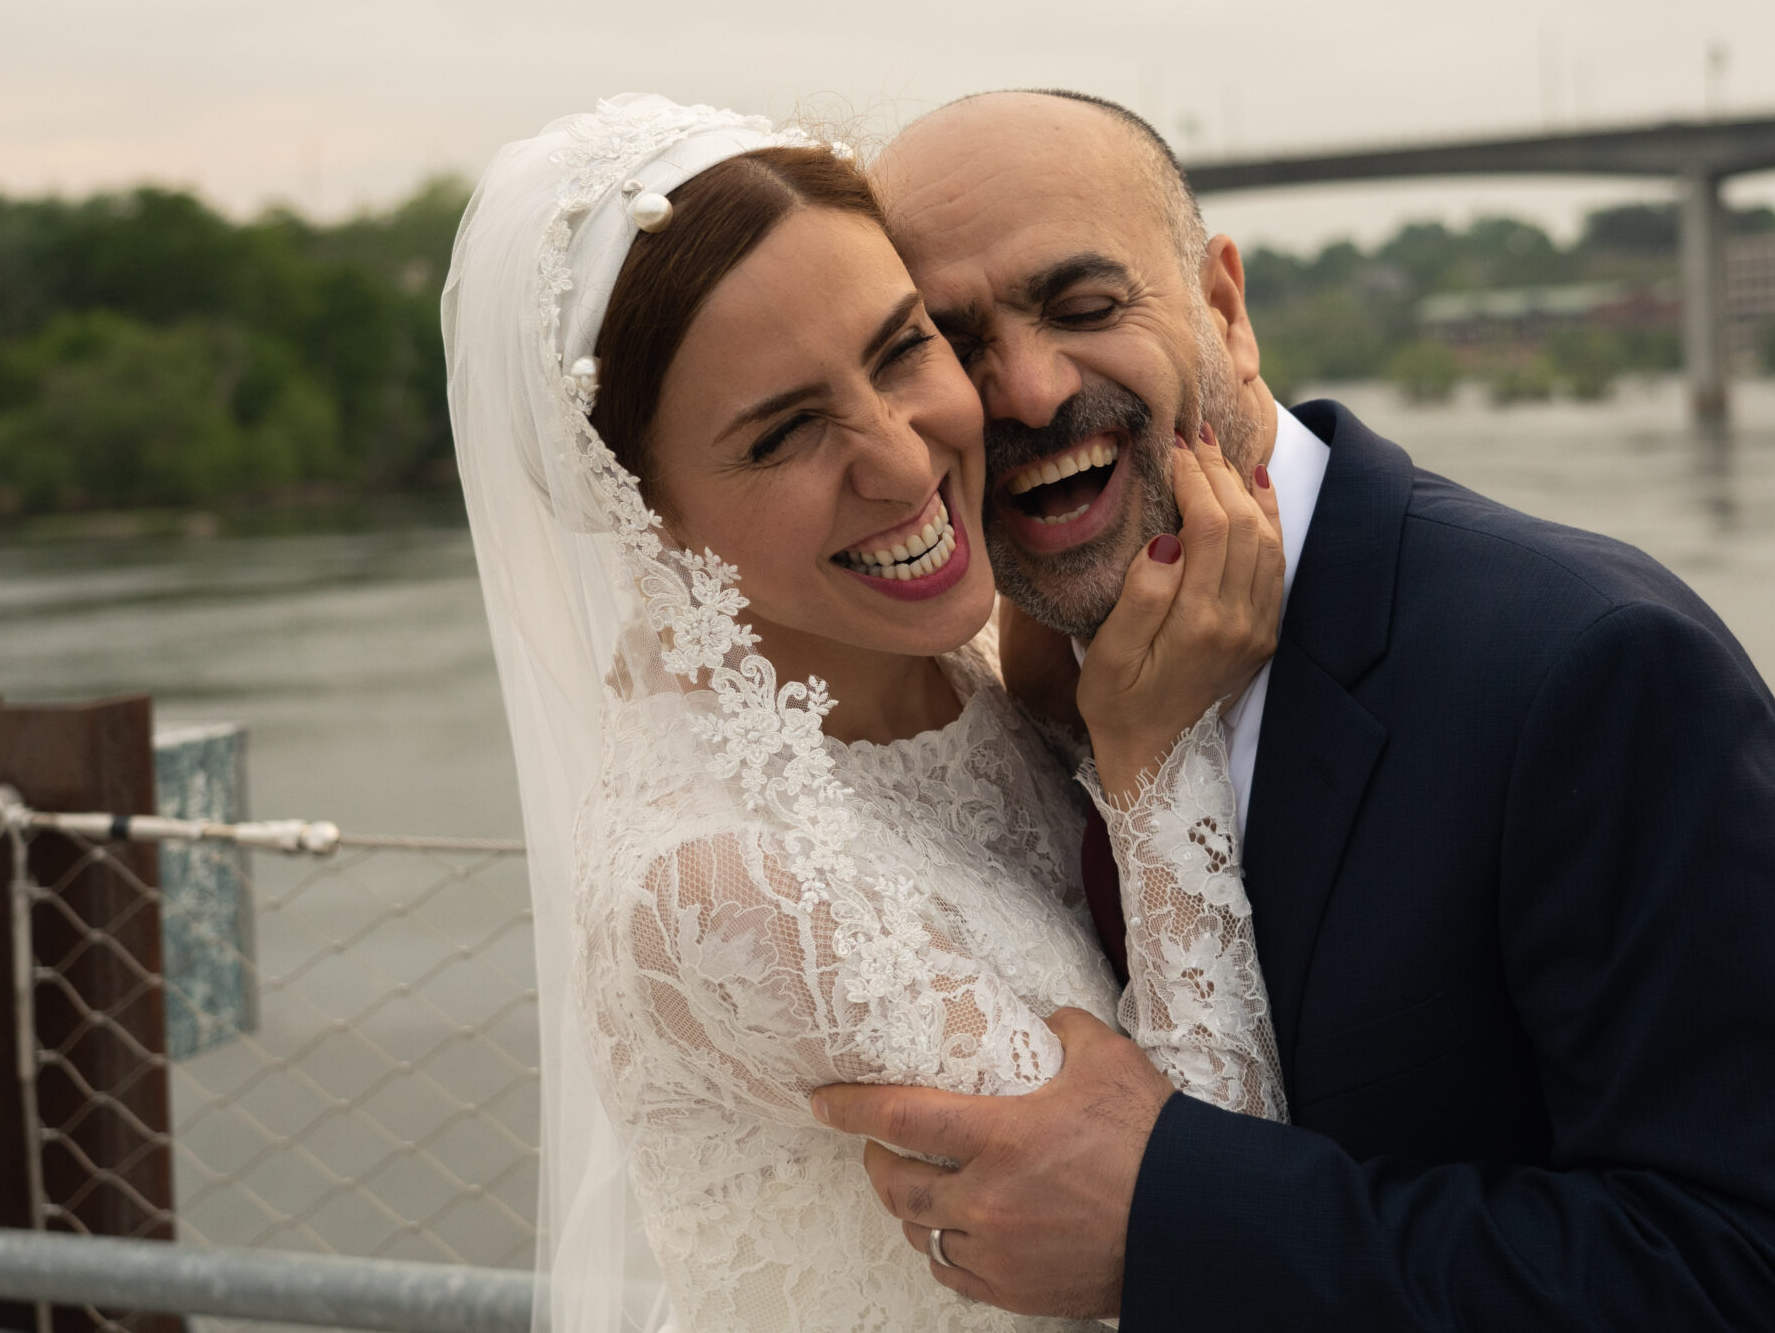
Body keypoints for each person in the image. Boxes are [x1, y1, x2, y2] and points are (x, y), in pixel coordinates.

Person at [812, 89, 1775, 1332]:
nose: (1024, 388)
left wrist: (1170, 1216)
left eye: (1084, 307)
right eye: (954, 347)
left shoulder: (1587, 666)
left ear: (1223, 310)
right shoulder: (1005, 700)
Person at [443, 94, 1291, 1333]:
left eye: (903, 350)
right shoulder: (724, 881)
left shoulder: (958, 684)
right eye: (785, 433)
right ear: (644, 511)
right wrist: (1153, 758)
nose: (902, 460)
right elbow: (1183, 1229)